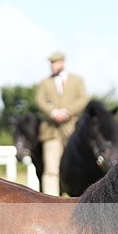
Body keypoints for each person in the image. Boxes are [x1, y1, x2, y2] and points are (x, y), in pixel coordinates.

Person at [35, 52, 88, 196]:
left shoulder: (77, 80)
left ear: (62, 63)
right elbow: (40, 100)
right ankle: (50, 202)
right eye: (50, 63)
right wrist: (53, 113)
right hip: (51, 132)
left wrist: (67, 112)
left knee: (76, 166)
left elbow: (83, 99)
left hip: (73, 131)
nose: (52, 66)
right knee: (51, 169)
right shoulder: (45, 82)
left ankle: (77, 199)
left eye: (54, 62)